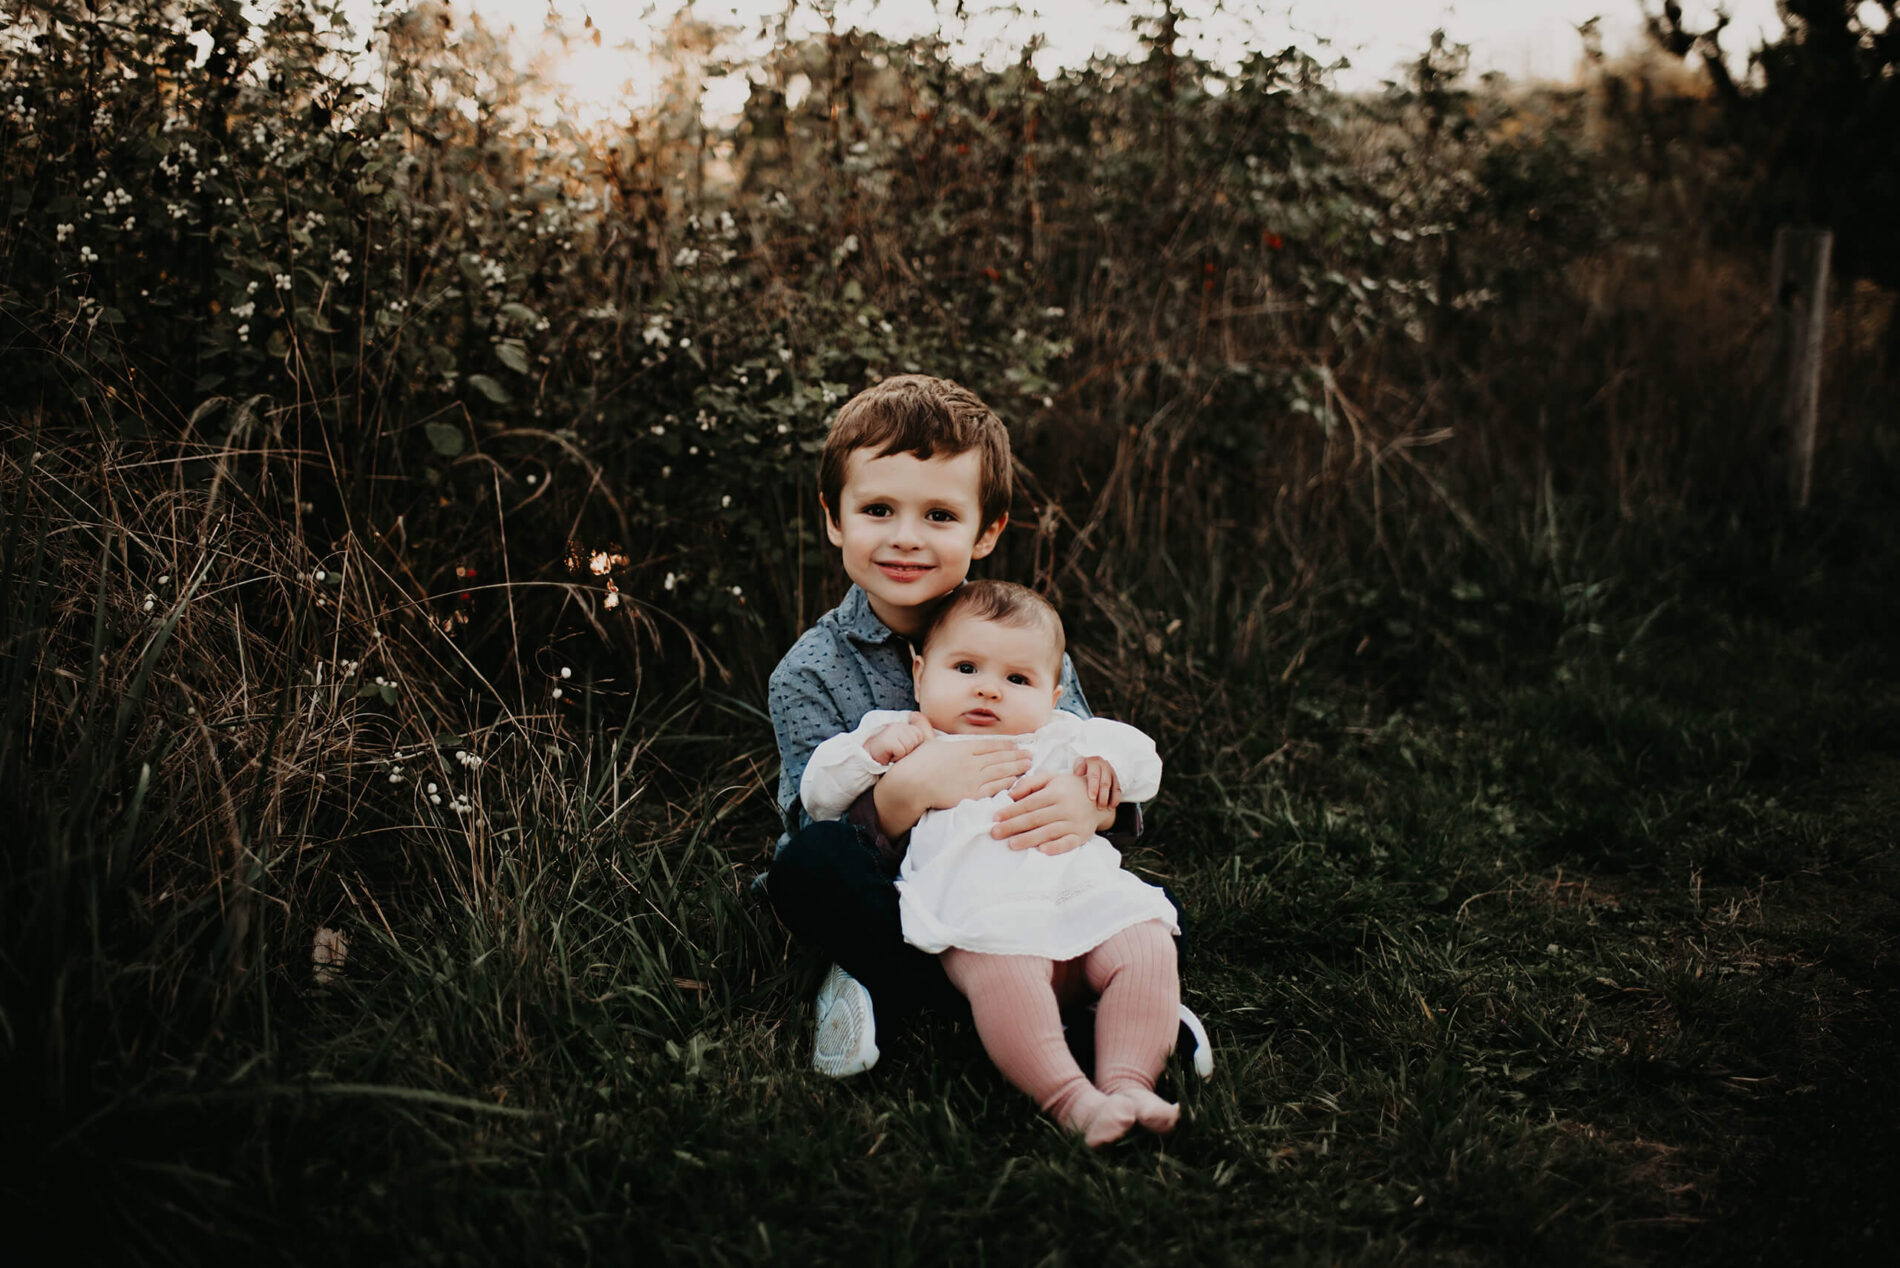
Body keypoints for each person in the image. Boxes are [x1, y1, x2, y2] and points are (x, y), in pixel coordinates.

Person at [763, 374, 1141, 1077]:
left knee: (1151, 905)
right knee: (806, 872)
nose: (906, 539)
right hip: (896, 893)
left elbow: (1086, 752)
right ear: (835, 519)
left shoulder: (1020, 637)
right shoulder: (808, 672)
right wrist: (906, 793)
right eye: (877, 509)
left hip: (1014, 878)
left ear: (988, 530)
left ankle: (934, 999)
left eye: (940, 515)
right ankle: (1043, 1012)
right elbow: (812, 823)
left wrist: (1091, 804)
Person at [802, 582, 1182, 1145]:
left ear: (1054, 697)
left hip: (1083, 898)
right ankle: (1071, 1099)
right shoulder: (907, 734)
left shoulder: (1062, 737)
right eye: (965, 668)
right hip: (983, 917)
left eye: (1017, 680)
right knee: (1006, 978)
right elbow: (817, 793)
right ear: (919, 673)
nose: (989, 691)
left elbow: (1141, 757)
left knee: (1148, 945)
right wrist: (870, 753)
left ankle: (1129, 1082)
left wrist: (1108, 766)